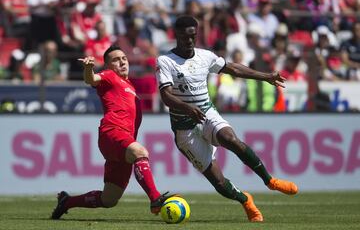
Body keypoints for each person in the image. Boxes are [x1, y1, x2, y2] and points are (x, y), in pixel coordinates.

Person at [156, 15, 298, 222]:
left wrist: (265, 76)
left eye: (193, 36)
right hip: (184, 128)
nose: (190, 41)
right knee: (219, 182)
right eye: (186, 37)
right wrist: (186, 108)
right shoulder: (165, 61)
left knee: (231, 139)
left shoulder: (205, 56)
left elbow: (233, 68)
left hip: (206, 113)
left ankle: (270, 181)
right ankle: (245, 200)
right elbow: (165, 95)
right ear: (176, 35)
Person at [51, 45, 174, 220]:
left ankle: (67, 201)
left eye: (124, 58)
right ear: (108, 66)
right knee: (140, 152)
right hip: (112, 132)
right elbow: (91, 79)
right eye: (116, 59)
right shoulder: (109, 76)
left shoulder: (130, 85)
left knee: (109, 199)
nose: (122, 61)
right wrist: (88, 68)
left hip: (123, 141)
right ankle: (155, 198)